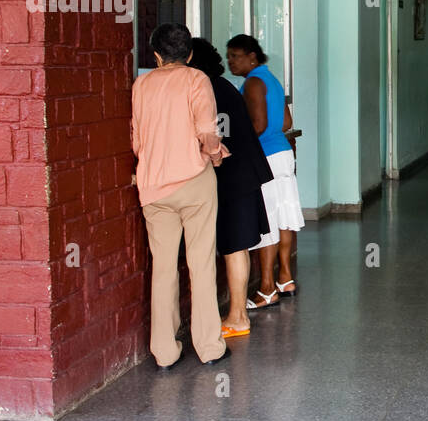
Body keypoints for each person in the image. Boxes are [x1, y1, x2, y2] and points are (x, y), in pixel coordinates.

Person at [130, 23, 231, 368]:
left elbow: (137, 139)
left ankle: (165, 352)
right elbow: (207, 130)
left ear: (156, 55)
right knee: (201, 264)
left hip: (154, 186)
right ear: (189, 54)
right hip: (193, 181)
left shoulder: (141, 84)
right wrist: (216, 155)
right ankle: (208, 347)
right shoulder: (196, 79)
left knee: (163, 268)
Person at [188, 38, 275, 338]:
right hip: (243, 173)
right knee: (235, 245)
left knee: (234, 245)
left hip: (233, 176)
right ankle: (236, 314)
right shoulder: (222, 86)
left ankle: (238, 316)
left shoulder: (206, 90)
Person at [225, 35, 304, 309]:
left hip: (265, 157)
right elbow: (286, 122)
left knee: (268, 222)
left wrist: (234, 145)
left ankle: (267, 289)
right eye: (228, 56)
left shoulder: (253, 83)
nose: (230, 62)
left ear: (252, 57)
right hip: (282, 153)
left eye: (235, 56)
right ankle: (285, 278)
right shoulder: (271, 78)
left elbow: (256, 126)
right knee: (283, 217)